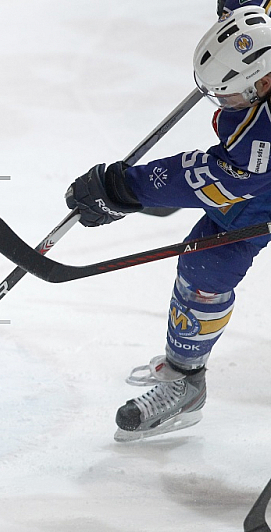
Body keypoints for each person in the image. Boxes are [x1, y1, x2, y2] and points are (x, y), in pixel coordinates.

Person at [64, 3, 271, 442]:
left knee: (213, 256)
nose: (222, 101)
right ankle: (186, 379)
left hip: (258, 180)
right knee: (205, 266)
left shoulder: (260, 142)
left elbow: (212, 178)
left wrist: (124, 189)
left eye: (229, 93)